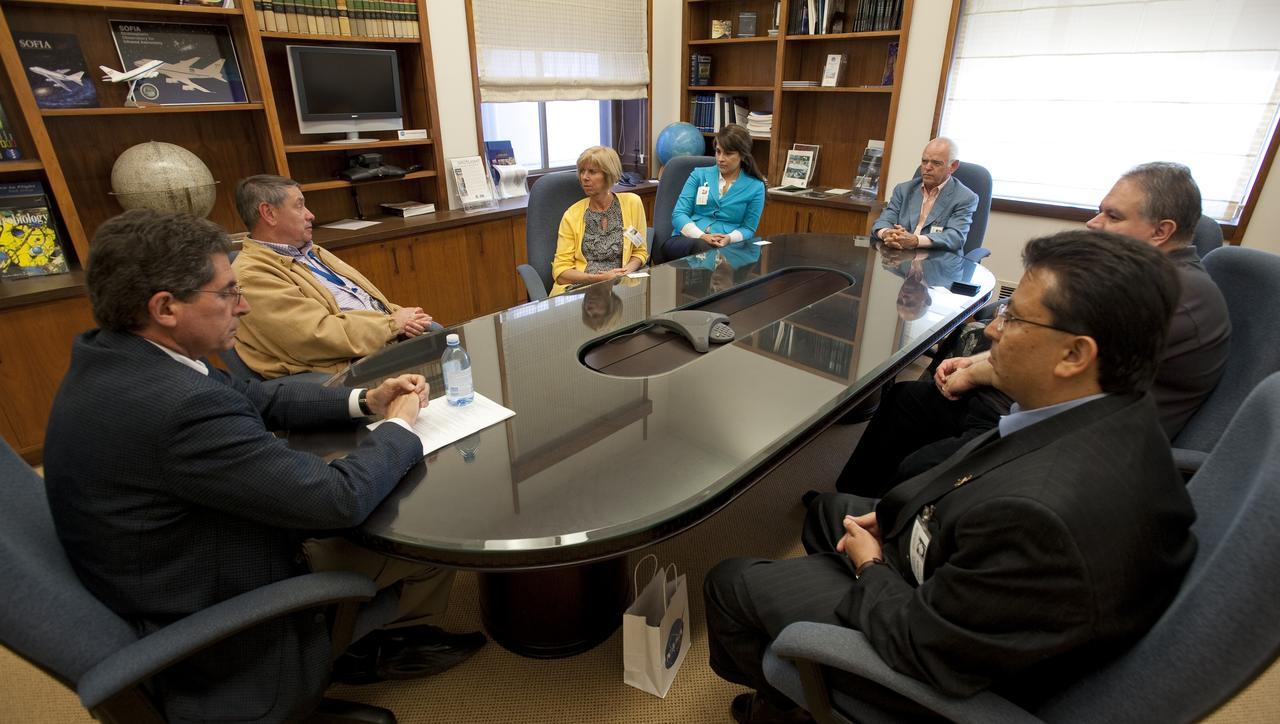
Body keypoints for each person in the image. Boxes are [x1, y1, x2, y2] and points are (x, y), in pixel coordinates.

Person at [705, 230, 1196, 723]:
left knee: (729, 584)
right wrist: (896, 515)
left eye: (1013, 316)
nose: (991, 331)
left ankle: (789, 702)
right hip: (961, 569)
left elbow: (925, 647)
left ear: (1074, 355)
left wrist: (870, 568)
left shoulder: (1041, 518)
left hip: (931, 638)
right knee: (828, 513)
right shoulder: (1110, 412)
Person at [43, 209, 483, 724]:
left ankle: (370, 634)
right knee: (425, 528)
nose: (244, 305)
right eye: (228, 293)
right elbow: (335, 500)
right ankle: (369, 645)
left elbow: (253, 396)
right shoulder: (176, 407)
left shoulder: (126, 352)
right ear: (165, 306)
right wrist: (399, 426)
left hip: (164, 558)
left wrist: (366, 399)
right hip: (215, 606)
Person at [837, 162, 1230, 496]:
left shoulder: (1171, 297)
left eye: (1113, 216)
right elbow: (1048, 338)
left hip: (1074, 437)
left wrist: (975, 371)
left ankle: (884, 524)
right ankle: (849, 505)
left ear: (1161, 231)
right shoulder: (1143, 276)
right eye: (1100, 211)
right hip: (1038, 400)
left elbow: (1057, 360)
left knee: (918, 468)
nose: (1094, 224)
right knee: (905, 399)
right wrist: (976, 363)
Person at [232, 174, 438, 378]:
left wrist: (404, 316)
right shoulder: (252, 274)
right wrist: (392, 324)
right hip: (344, 367)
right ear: (269, 213)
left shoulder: (310, 251)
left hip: (377, 340)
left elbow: (364, 299)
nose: (310, 215)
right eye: (299, 206)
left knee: (443, 341)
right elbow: (315, 336)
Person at [549, 146, 649, 296]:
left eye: (592, 172)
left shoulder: (632, 203)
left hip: (622, 287)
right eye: (582, 171)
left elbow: (640, 252)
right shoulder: (572, 215)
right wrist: (597, 279)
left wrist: (624, 273)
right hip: (581, 289)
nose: (584, 177)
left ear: (608, 175)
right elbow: (561, 272)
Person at [662, 123, 767, 261]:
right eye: (718, 151)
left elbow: (748, 228)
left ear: (743, 155)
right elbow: (679, 214)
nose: (720, 158)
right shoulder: (698, 175)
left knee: (750, 255)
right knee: (704, 248)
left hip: (727, 244)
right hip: (687, 239)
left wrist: (729, 238)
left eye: (728, 153)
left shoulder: (756, 186)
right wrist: (702, 236)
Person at [870, 137, 978, 252]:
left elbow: (955, 237)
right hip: (901, 259)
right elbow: (883, 221)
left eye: (936, 163)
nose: (927, 167)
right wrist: (887, 233)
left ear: (953, 166)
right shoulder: (903, 190)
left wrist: (916, 240)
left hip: (939, 262)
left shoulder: (965, 198)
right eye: (924, 161)